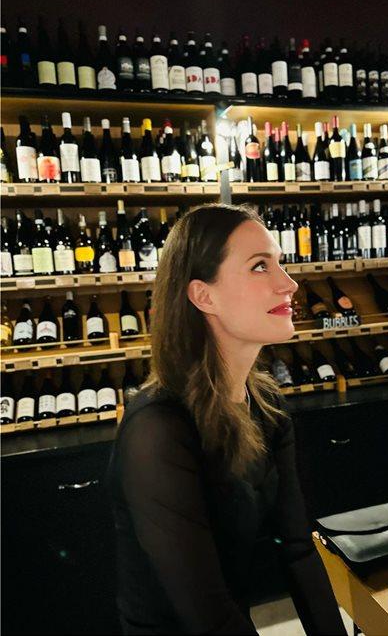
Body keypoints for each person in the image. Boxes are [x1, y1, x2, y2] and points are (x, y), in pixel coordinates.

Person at [107, 204, 348, 635]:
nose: (289, 283)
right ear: (204, 296)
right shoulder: (158, 431)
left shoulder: (266, 405)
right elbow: (208, 615)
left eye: (279, 263)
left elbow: (298, 550)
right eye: (260, 266)